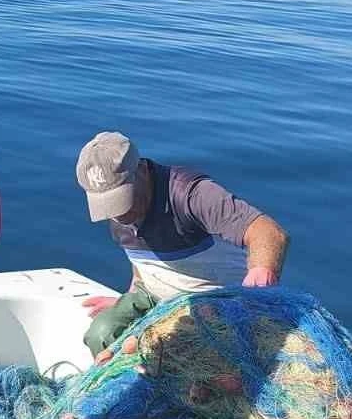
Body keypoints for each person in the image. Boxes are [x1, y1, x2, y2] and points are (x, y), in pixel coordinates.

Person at [76, 131, 288, 355]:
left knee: (185, 354)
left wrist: (261, 272)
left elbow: (268, 231)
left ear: (140, 169)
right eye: (107, 204)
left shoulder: (191, 195)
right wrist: (128, 299)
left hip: (215, 300)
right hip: (153, 296)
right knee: (101, 334)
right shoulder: (117, 214)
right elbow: (142, 261)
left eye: (122, 199)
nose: (118, 214)